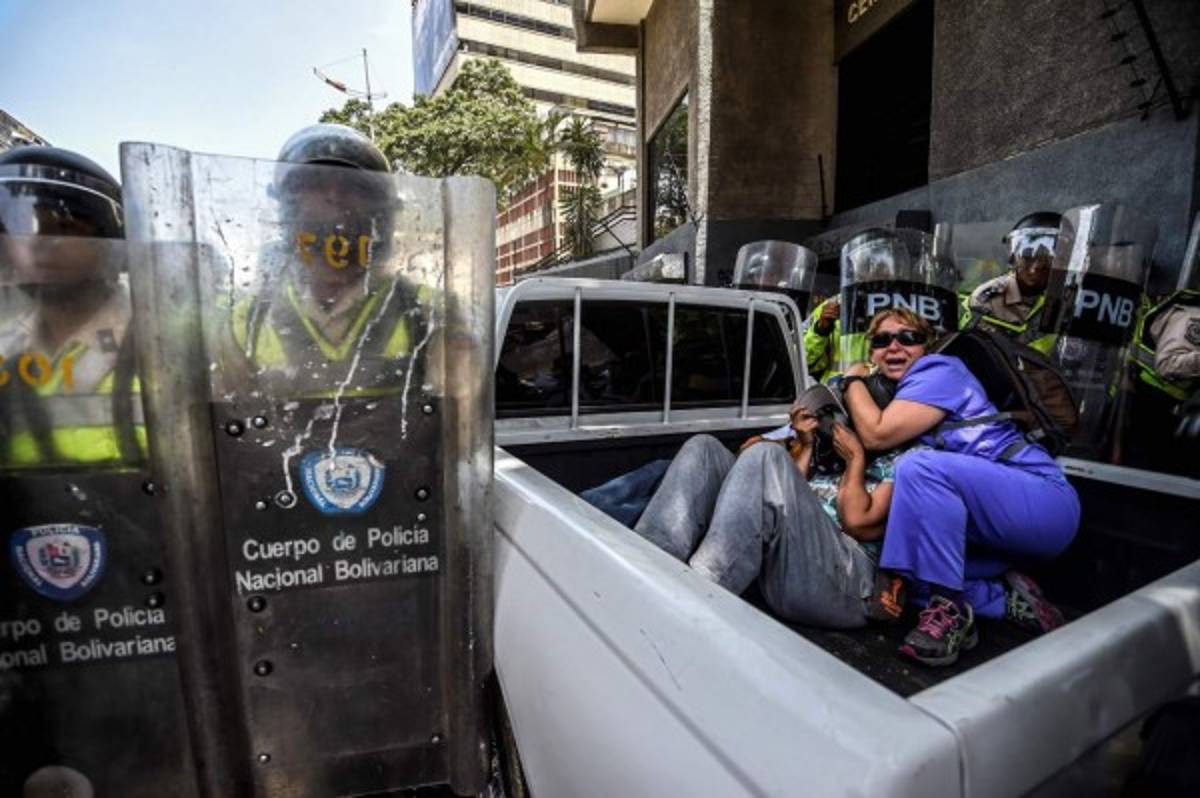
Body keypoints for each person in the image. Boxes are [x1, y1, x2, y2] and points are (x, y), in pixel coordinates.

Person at [842, 308, 1080, 667]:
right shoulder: (906, 391)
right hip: (996, 525)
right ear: (872, 353)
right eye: (881, 340)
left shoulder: (939, 370)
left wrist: (850, 381)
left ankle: (950, 609)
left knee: (919, 467)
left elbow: (876, 434)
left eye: (908, 337)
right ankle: (1003, 598)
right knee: (914, 576)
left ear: (927, 346)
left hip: (1042, 499)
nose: (894, 346)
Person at [631, 354, 911, 629]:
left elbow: (857, 522)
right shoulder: (829, 453)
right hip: (792, 561)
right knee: (703, 449)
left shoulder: (903, 461)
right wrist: (807, 444)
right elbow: (780, 494)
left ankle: (697, 596)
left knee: (766, 456)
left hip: (847, 581)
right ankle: (643, 566)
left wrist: (856, 460)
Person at [229, 123, 419, 397]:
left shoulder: (428, 313)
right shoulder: (245, 324)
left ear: (382, 211)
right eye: (315, 184)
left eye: (356, 187)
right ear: (288, 207)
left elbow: (462, 423)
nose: (335, 197)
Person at [0, 145, 140, 467]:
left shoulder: (164, 340)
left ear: (112, 243)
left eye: (64, 228)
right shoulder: (6, 346)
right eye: (21, 228)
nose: (39, 243)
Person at [966, 212, 1060, 354]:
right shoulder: (989, 299)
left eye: (1046, 261)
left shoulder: (1074, 298)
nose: (1034, 269)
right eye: (1027, 257)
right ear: (1014, 257)